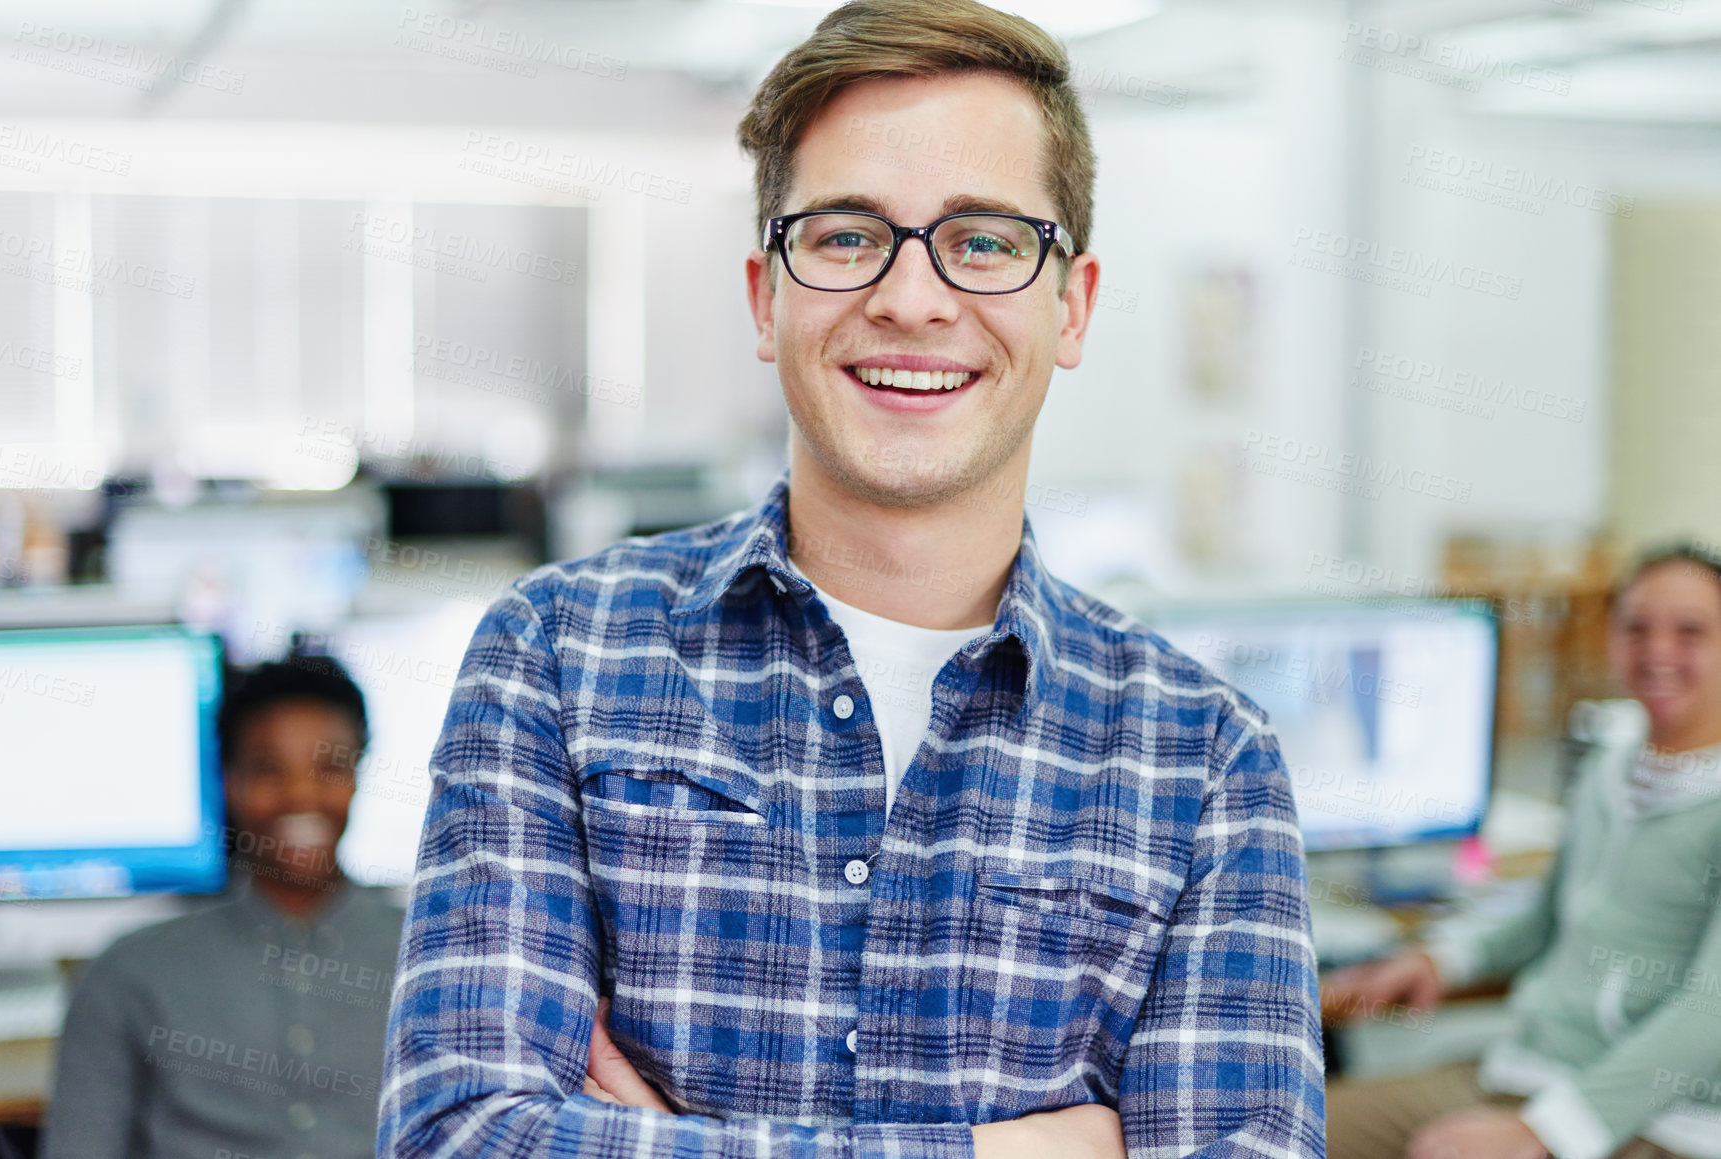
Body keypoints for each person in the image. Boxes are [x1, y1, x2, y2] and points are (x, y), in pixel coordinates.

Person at [377, 3, 1324, 1157]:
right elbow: (462, 1138)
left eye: (982, 240)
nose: (912, 300)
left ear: (1069, 304)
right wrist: (1010, 1150)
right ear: (766, 295)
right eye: (844, 236)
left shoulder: (1204, 754)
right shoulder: (559, 655)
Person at [1322, 544, 1721, 1159]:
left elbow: (1710, 1013)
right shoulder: (1610, 773)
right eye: (1637, 628)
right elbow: (1543, 922)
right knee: (1278, 1125)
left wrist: (1551, 1132)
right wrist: (1440, 960)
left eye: (1690, 631)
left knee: (1441, 1149)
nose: (1658, 651)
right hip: (1527, 1074)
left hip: (1655, 1117)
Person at [43, 657, 405, 1159]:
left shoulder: (430, 961)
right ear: (229, 781)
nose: (300, 792)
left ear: (358, 775)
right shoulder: (130, 974)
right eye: (268, 769)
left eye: (329, 767)